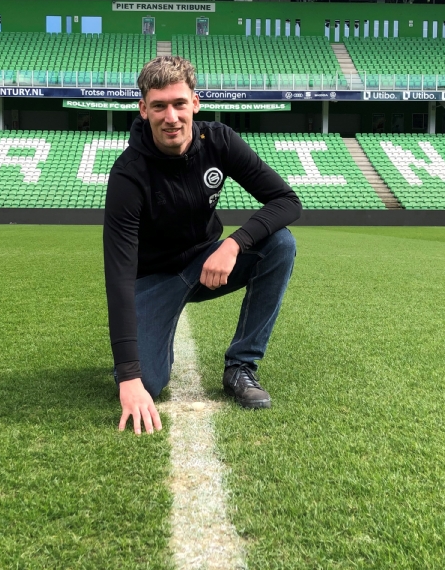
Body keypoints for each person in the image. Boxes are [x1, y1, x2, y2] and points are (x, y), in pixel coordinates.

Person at [103, 56, 301, 435]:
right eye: (159, 106)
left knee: (279, 243)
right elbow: (119, 278)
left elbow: (286, 201)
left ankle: (241, 366)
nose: (171, 117)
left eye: (179, 103)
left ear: (195, 103)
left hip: (206, 264)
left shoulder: (219, 141)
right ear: (143, 110)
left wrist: (234, 244)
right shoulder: (128, 175)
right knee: (148, 384)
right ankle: (149, 342)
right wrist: (129, 375)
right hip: (153, 279)